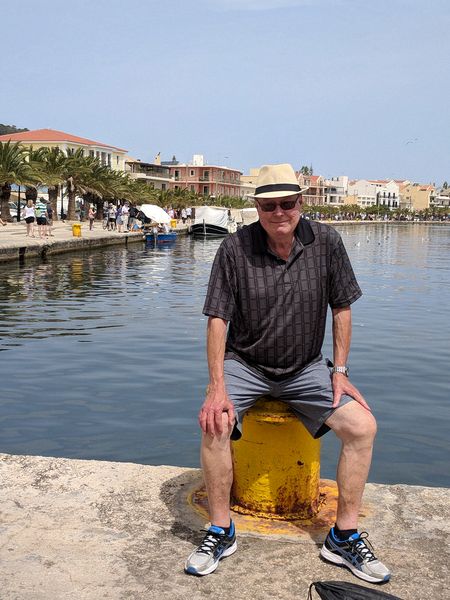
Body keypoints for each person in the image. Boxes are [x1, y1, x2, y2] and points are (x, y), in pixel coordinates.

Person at [184, 164, 390, 584]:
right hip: (245, 364)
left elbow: (343, 306)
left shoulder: (326, 242)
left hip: (305, 368)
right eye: (268, 205)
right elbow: (217, 319)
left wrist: (341, 370)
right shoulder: (234, 249)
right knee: (215, 422)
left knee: (362, 427)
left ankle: (343, 536)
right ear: (256, 207)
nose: (279, 212)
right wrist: (217, 385)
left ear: (301, 202)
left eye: (287, 203)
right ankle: (221, 530)